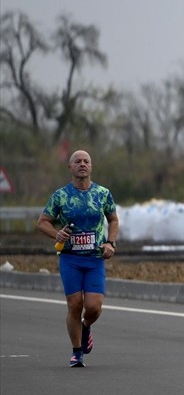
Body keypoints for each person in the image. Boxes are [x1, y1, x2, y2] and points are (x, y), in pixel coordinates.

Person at [36, 150, 121, 367]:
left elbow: (113, 220)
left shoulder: (103, 193)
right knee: (74, 304)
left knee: (93, 307)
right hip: (70, 258)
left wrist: (110, 242)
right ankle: (77, 352)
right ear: (70, 167)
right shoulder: (60, 196)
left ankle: (86, 325)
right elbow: (42, 222)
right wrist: (57, 234)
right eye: (77, 161)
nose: (82, 164)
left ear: (91, 167)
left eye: (86, 161)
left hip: (95, 258)